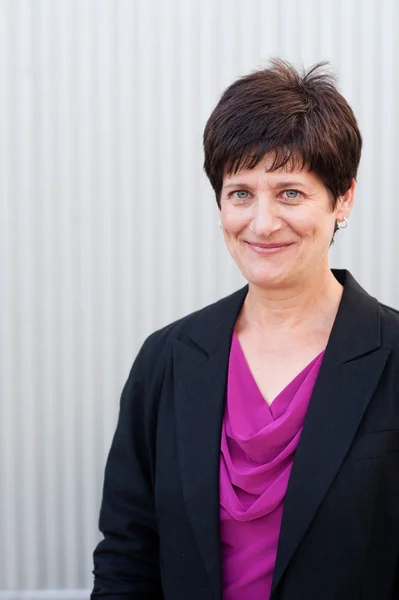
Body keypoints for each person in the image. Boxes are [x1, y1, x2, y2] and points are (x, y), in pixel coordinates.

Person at [91, 59, 399, 600]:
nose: (261, 223)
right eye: (240, 193)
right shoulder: (167, 359)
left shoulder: (393, 355)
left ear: (343, 198)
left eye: (290, 193)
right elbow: (127, 553)